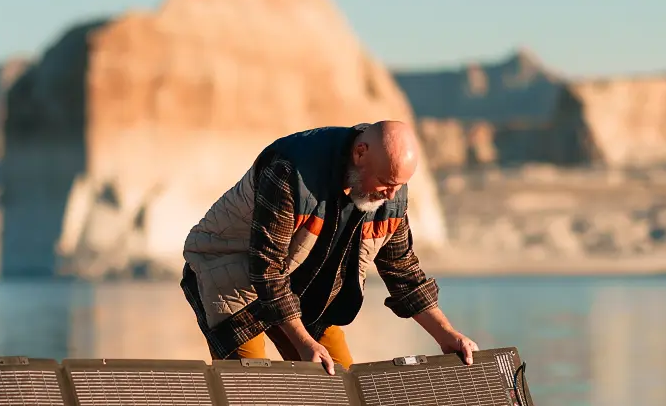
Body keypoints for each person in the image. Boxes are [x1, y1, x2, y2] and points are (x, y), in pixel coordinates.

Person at [180, 120, 479, 375]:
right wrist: (304, 343)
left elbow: (403, 270)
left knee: (341, 386)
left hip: (301, 290)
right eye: (386, 183)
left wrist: (446, 335)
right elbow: (267, 269)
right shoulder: (290, 172)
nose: (391, 195)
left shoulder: (390, 190)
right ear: (360, 153)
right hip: (232, 278)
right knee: (254, 391)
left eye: (399, 186)